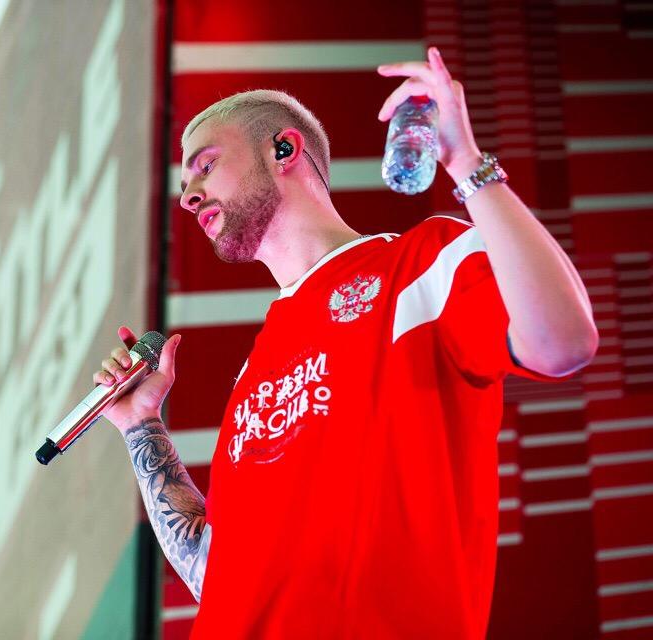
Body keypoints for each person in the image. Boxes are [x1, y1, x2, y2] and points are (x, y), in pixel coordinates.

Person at [93, 47, 597, 639]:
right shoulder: (254, 374)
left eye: (206, 165)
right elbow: (214, 574)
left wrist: (467, 163)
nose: (189, 195)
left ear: (283, 150)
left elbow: (563, 341)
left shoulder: (420, 267)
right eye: (185, 183)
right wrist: (141, 427)